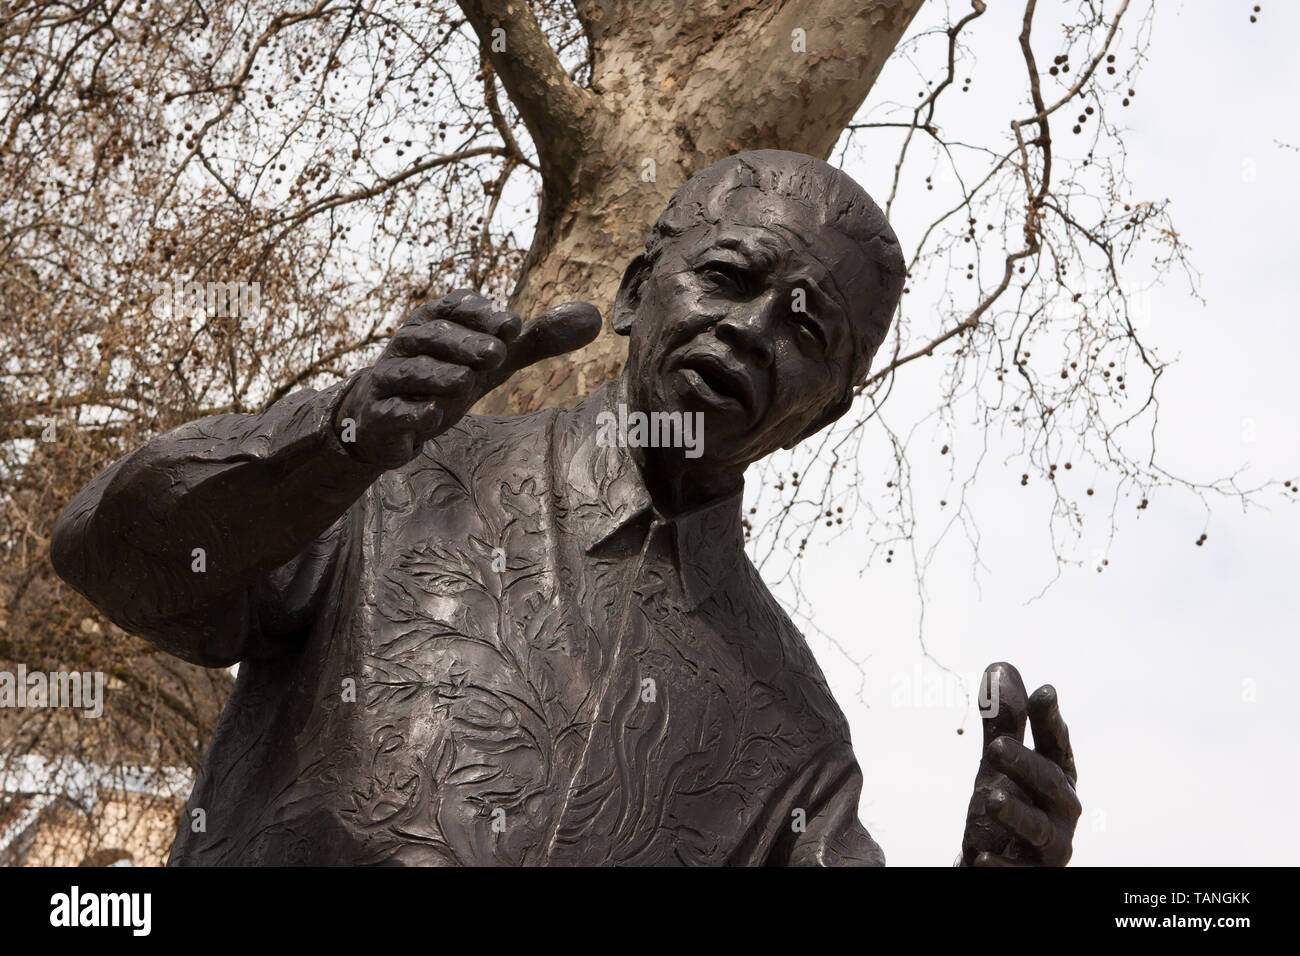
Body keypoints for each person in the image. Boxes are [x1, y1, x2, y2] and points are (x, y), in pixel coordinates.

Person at [51, 150, 1079, 866]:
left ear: (819, 415)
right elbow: (111, 556)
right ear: (636, 292)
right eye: (728, 276)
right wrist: (336, 436)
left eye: (808, 330)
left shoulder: (793, 729)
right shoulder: (391, 479)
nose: (755, 328)